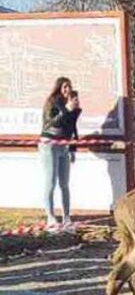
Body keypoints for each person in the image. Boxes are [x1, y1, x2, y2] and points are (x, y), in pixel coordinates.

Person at [39, 77, 81, 230]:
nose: (67, 90)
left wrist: (73, 148)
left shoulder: (71, 105)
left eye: (69, 87)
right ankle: (50, 217)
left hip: (64, 146)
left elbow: (72, 128)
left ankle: (67, 216)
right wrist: (67, 110)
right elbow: (52, 123)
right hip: (49, 145)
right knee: (51, 182)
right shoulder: (53, 102)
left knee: (64, 183)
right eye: (64, 87)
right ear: (59, 88)